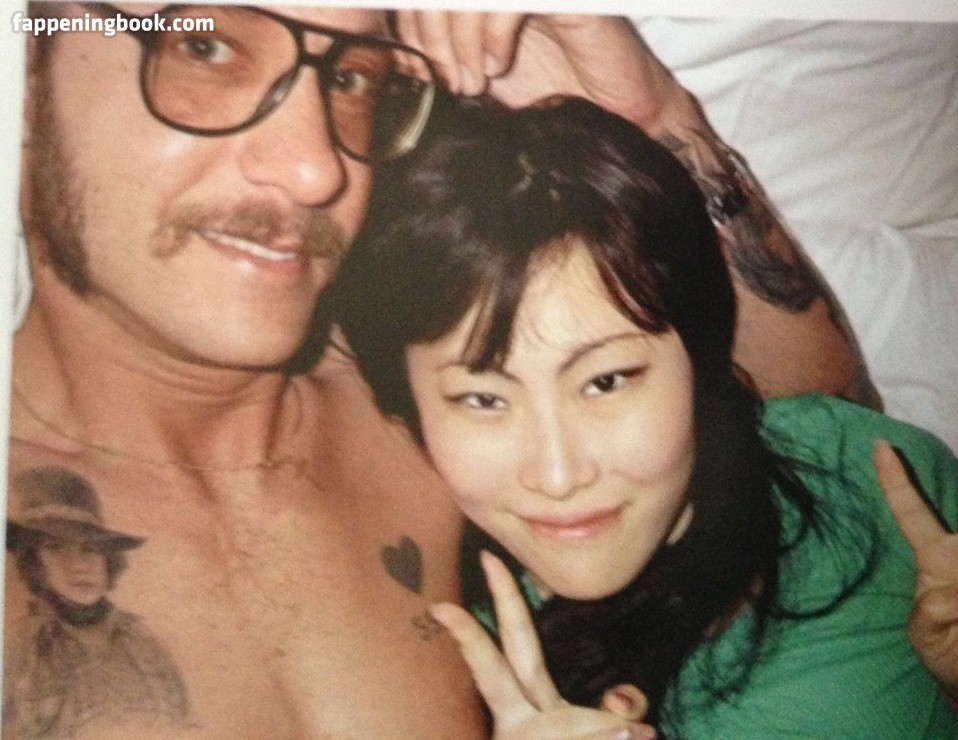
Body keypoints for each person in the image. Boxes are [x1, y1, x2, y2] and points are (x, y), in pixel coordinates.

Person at [8, 3, 869, 737]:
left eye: (351, 79)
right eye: (206, 47)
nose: (315, 169)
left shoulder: (401, 389)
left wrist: (648, 113)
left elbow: (815, 412)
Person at [333, 96, 958, 738]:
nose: (557, 474)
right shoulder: (423, 657)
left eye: (607, 381)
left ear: (698, 356)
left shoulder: (876, 486)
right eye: (484, 400)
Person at [4, 467, 192, 737]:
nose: (78, 565)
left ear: (108, 561)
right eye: (56, 548)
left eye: (90, 549)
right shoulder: (18, 648)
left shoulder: (142, 642)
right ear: (35, 564)